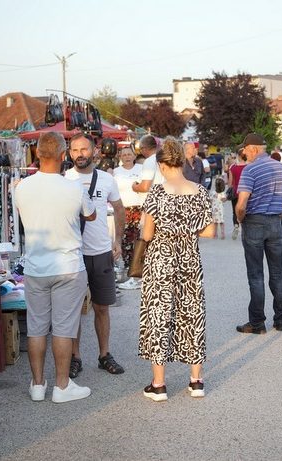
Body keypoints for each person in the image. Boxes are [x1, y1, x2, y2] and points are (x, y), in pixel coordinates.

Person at [15, 132, 95, 403]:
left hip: (36, 267)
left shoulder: (21, 187)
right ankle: (62, 386)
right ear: (63, 155)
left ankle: (38, 385)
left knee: (36, 328)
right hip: (68, 267)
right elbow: (91, 214)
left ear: (37, 154)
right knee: (63, 328)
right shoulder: (75, 188)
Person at [138, 137, 215, 402]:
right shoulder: (199, 191)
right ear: (182, 162)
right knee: (192, 314)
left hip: (160, 261)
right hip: (189, 261)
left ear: (161, 165)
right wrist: (186, 230)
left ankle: (159, 384)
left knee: (159, 316)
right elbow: (209, 231)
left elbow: (147, 234)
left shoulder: (157, 193)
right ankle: (196, 381)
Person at [65, 133, 127, 377]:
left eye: (84, 149)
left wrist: (118, 240)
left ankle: (104, 355)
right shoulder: (64, 180)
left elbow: (119, 208)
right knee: (74, 310)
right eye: (74, 150)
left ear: (94, 151)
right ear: (69, 153)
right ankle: (75, 357)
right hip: (74, 254)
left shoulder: (106, 179)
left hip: (101, 251)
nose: (79, 154)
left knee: (102, 307)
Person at [234, 133, 282, 334]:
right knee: (278, 273)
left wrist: (240, 218)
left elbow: (241, 204)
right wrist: (279, 212)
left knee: (256, 275)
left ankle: (257, 323)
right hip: (275, 224)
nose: (244, 153)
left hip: (254, 222)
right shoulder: (281, 168)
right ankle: (280, 320)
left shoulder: (249, 170)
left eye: (245, 149)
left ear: (253, 149)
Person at [113, 147, 145, 290]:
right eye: (124, 154)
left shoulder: (141, 169)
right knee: (124, 241)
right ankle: (128, 273)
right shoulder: (115, 172)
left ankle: (138, 274)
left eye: (129, 154)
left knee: (138, 242)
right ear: (120, 157)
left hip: (138, 209)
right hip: (122, 210)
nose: (127, 157)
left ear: (134, 156)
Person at [227, 149, 247, 240]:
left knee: (235, 210)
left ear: (238, 156)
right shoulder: (248, 167)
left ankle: (236, 225)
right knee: (245, 210)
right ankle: (245, 228)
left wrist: (229, 191)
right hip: (246, 192)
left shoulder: (233, 167)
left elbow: (230, 182)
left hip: (235, 192)